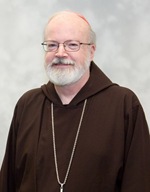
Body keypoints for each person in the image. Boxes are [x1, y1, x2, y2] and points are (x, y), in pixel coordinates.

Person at [0, 10, 150, 192]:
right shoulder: (27, 105)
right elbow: (7, 182)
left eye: (72, 45)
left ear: (91, 50)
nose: (60, 53)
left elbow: (138, 182)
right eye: (52, 45)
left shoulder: (124, 105)